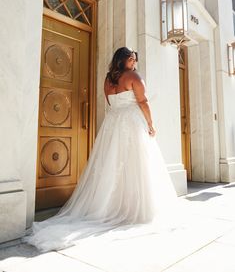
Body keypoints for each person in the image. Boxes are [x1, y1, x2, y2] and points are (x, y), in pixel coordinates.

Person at [21, 46, 180, 252]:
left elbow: (110, 102)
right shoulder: (133, 76)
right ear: (123, 60)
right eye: (132, 59)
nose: (134, 63)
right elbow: (143, 101)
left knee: (112, 163)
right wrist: (151, 124)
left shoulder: (108, 79)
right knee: (137, 164)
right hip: (131, 123)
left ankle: (111, 205)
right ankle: (134, 209)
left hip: (113, 123)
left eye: (135, 60)